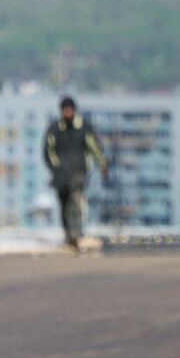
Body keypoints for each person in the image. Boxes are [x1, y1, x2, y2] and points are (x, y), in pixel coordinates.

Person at [42, 96, 107, 251]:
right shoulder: (55, 129)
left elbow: (95, 148)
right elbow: (48, 151)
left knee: (76, 203)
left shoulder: (84, 127)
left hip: (79, 173)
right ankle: (68, 235)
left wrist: (102, 164)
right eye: (65, 110)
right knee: (64, 206)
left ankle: (76, 234)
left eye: (70, 109)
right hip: (60, 176)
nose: (67, 113)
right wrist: (56, 168)